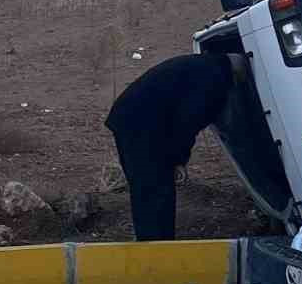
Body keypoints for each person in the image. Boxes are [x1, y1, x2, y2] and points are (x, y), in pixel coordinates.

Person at [105, 52, 248, 241]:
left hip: (131, 117)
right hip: (140, 123)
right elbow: (188, 123)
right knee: (156, 187)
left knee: (145, 187)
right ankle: (157, 247)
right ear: (237, 73)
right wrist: (179, 159)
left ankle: (150, 243)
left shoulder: (204, 65)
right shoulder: (216, 79)